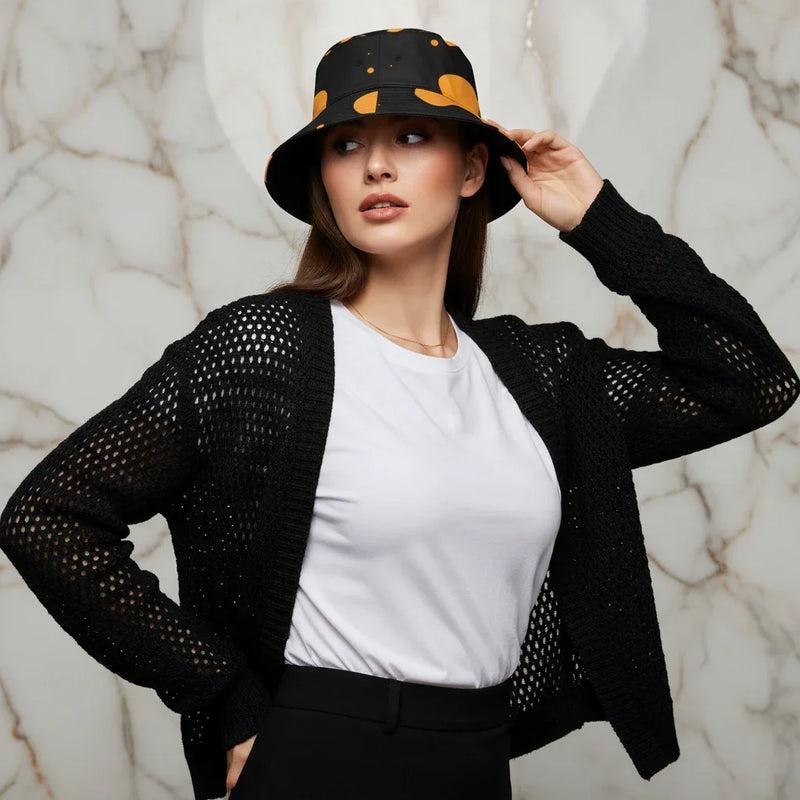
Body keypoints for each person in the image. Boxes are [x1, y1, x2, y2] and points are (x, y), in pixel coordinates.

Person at [0, 26, 797, 800]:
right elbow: (47, 515)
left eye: (413, 136)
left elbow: (748, 379)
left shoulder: (543, 376)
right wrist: (224, 695)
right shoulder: (266, 351)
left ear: (474, 168)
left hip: (479, 762)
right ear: (326, 179)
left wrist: (600, 220)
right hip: (317, 756)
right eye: (346, 144)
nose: (376, 163)